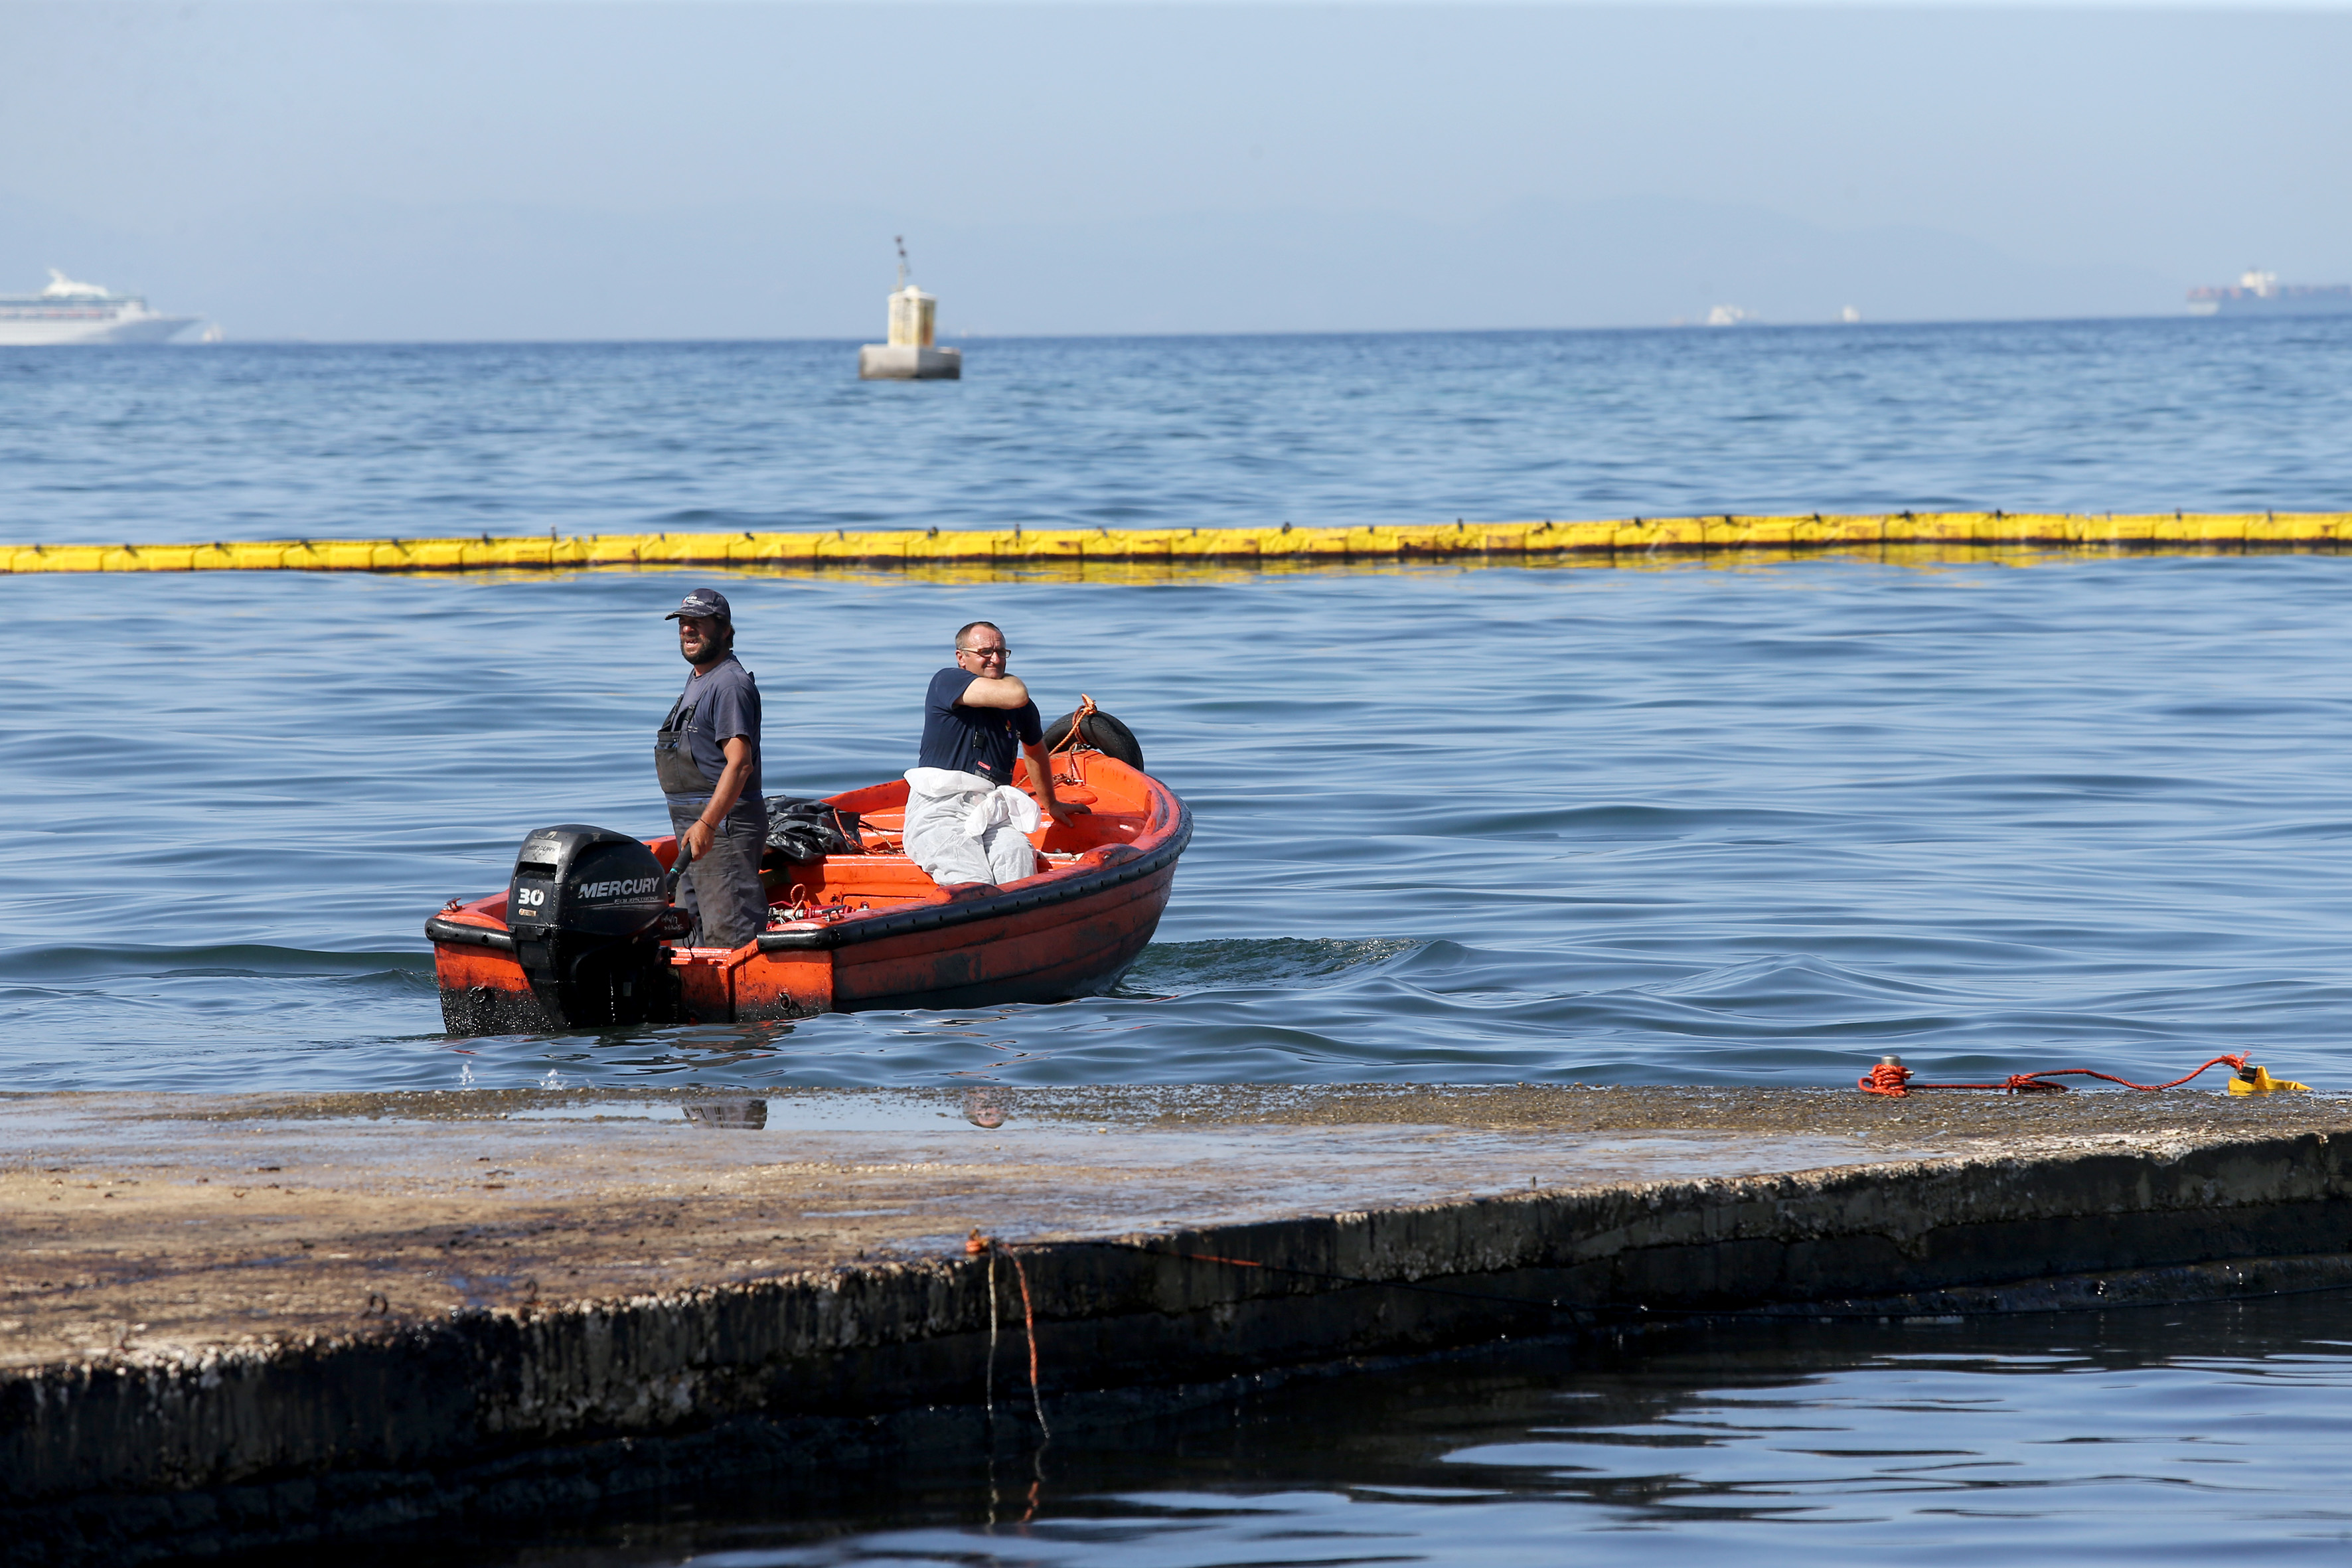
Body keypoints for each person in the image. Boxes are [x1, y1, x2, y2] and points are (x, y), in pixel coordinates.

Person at [903, 621, 1077, 888]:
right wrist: (1012, 684)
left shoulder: (1022, 708)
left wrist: (1052, 803)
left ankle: (1022, 926)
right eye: (985, 652)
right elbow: (1016, 694)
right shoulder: (947, 681)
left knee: (1018, 858)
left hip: (992, 811)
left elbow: (1035, 750)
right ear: (961, 658)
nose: (995, 660)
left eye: (1001, 652)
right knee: (973, 882)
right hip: (940, 809)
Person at [653, 587, 769, 947]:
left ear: (725, 631)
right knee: (688, 935)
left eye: (698, 623)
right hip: (694, 830)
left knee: (730, 938)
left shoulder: (730, 684)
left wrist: (707, 823)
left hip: (724, 829)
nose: (688, 630)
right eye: (684, 623)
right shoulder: (699, 679)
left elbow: (739, 765)